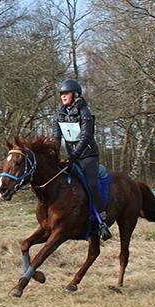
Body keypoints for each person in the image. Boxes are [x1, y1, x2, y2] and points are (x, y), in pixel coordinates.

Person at [52, 79, 112, 240]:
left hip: (88, 156)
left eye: (66, 93)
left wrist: (74, 155)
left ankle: (102, 220)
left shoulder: (84, 112)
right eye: (62, 94)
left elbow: (86, 137)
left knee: (91, 184)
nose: (63, 96)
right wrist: (53, 154)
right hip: (72, 156)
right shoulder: (59, 115)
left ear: (75, 94)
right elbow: (56, 138)